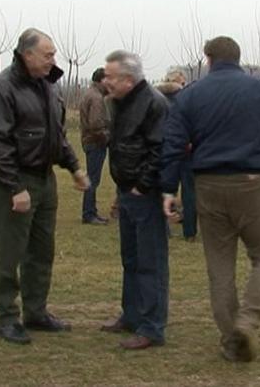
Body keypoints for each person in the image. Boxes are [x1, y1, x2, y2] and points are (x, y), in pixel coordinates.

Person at [160, 36, 260, 362]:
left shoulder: (190, 95)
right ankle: (246, 323)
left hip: (208, 184)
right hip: (252, 182)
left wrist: (168, 188)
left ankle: (229, 336)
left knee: (220, 267)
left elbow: (172, 143)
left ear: (208, 59)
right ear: (238, 58)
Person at [0, 28, 90, 345]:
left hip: (44, 178)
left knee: (41, 251)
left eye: (53, 54)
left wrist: (74, 167)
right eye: (47, 54)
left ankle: (36, 312)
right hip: (13, 179)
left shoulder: (47, 87)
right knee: (9, 251)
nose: (53, 60)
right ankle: (7, 316)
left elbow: (57, 135)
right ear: (26, 55)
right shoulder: (1, 89)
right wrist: (15, 187)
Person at [99, 50, 169, 350]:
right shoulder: (120, 103)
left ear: (128, 79)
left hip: (145, 195)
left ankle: (152, 326)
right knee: (130, 259)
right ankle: (131, 315)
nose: (105, 82)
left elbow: (159, 148)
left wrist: (143, 185)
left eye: (110, 77)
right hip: (126, 191)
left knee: (150, 261)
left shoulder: (153, 103)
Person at [155, 69, 197, 241]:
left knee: (163, 188)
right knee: (189, 192)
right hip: (185, 150)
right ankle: (190, 231)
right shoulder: (187, 99)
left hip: (164, 149)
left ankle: (162, 228)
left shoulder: (156, 98)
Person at [78, 67, 110, 225]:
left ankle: (91, 211)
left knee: (92, 178)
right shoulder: (96, 98)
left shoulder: (90, 93)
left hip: (89, 141)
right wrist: (108, 138)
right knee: (93, 180)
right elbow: (96, 125)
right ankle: (89, 213)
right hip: (95, 143)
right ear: (102, 80)